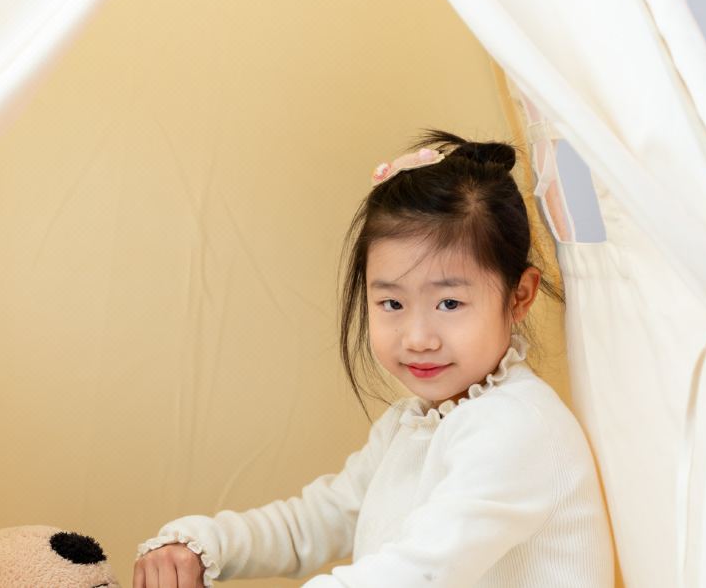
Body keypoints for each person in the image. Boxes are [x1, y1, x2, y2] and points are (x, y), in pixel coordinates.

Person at [132, 129, 615, 587]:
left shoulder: (517, 427)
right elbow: (314, 523)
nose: (418, 338)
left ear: (519, 296)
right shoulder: (410, 424)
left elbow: (417, 572)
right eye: (392, 303)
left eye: (449, 303)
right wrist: (204, 543)